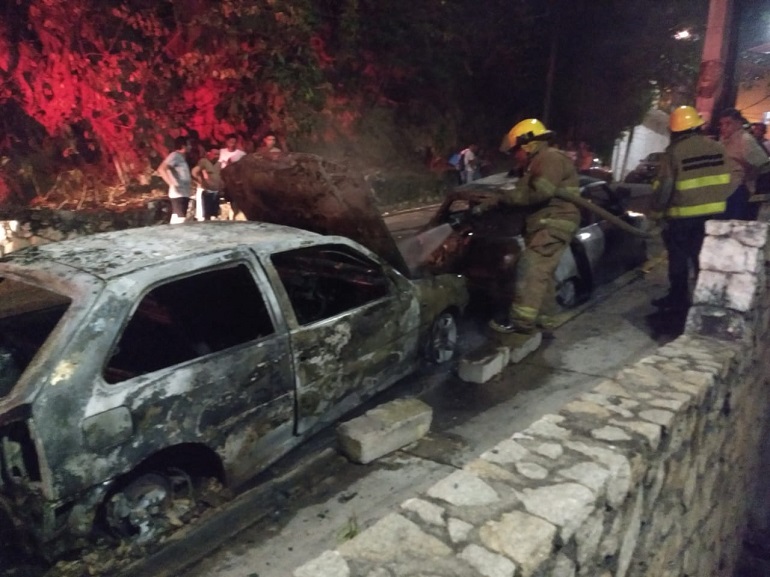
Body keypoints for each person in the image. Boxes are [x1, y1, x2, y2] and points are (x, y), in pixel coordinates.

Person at [487, 118, 581, 334]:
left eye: (516, 150)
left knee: (530, 269)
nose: (515, 156)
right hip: (548, 222)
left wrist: (504, 197)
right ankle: (544, 320)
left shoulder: (549, 158)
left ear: (528, 144)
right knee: (542, 274)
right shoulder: (537, 163)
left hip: (554, 222)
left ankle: (520, 323)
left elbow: (540, 192)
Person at [650, 106, 733, 311]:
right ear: (697, 126)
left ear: (675, 130)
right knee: (703, 259)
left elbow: (665, 187)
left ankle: (678, 300)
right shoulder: (718, 148)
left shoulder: (674, 152)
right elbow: (729, 179)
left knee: (678, 259)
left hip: (682, 217)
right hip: (714, 216)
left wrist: (657, 213)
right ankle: (705, 301)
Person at [717, 108, 770, 220]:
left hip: (738, 190)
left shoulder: (745, 140)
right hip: (723, 189)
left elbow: (763, 166)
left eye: (728, 124)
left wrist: (747, 169)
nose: (724, 127)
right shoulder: (723, 140)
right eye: (722, 124)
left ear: (738, 123)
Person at [158, 136, 192, 225]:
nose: (190, 147)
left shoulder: (181, 158)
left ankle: (174, 232)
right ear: (183, 146)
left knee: (178, 218)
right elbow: (162, 168)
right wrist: (171, 184)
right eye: (189, 144)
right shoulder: (175, 155)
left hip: (183, 193)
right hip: (178, 193)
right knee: (180, 219)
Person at [191, 145, 222, 221]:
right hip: (207, 191)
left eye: (218, 154)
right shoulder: (204, 162)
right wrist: (200, 181)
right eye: (215, 154)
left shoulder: (219, 164)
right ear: (209, 153)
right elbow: (194, 172)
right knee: (207, 215)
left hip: (217, 191)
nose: (217, 156)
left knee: (215, 214)